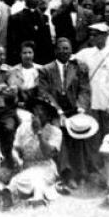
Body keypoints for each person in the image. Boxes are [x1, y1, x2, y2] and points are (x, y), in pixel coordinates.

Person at [38, 37, 91, 188]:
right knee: (60, 136)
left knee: (79, 134)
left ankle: (81, 173)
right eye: (60, 48)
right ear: (55, 51)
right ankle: (67, 174)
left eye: (66, 48)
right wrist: (58, 111)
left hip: (75, 110)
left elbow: (85, 89)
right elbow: (44, 93)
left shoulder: (79, 67)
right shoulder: (45, 70)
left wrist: (81, 107)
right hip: (55, 112)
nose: (63, 51)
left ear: (71, 50)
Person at [74, 23, 109, 161]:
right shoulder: (86, 53)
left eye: (98, 34)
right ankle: (95, 165)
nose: (94, 37)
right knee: (93, 136)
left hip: (107, 102)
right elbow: (70, 60)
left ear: (106, 36)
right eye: (92, 34)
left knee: (108, 136)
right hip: (91, 101)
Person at [7, 104, 63, 207]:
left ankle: (38, 199)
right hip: (26, 166)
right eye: (34, 114)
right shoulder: (23, 128)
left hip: (45, 167)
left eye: (40, 115)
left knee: (37, 179)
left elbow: (48, 153)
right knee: (14, 183)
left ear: (47, 118)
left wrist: (40, 134)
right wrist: (17, 159)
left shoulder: (56, 132)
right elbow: (15, 149)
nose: (35, 118)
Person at [6, 0, 54, 65]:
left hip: (40, 59)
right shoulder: (15, 18)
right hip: (22, 59)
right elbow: (12, 43)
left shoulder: (44, 18)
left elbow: (47, 42)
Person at [7, 41, 42, 109]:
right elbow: (12, 89)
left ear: (34, 54)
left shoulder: (42, 70)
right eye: (24, 53)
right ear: (20, 54)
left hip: (38, 103)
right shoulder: (13, 70)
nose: (27, 55)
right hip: (20, 104)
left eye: (30, 52)